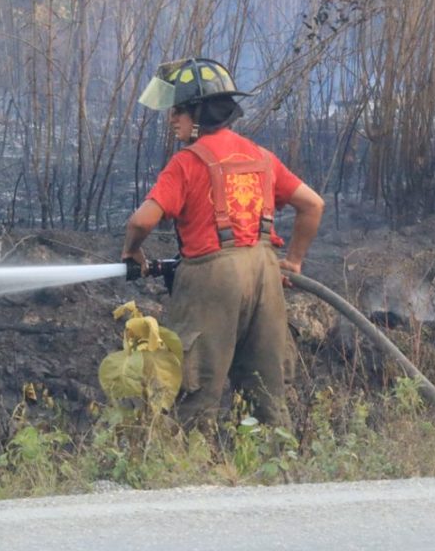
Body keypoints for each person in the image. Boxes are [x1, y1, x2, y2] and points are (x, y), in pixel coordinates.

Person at [121, 57, 324, 430]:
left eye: (178, 110)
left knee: (194, 389)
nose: (171, 119)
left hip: (212, 280)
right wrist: (293, 262)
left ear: (200, 112)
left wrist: (132, 250)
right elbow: (312, 205)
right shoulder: (261, 157)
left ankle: (191, 471)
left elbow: (141, 220)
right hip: (264, 275)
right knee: (264, 388)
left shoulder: (186, 163)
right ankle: (270, 468)